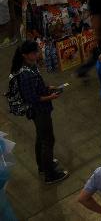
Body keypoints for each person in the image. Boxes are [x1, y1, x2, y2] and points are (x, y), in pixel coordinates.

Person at [10, 40, 67, 183]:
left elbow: (36, 88)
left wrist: (48, 87)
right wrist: (50, 97)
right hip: (39, 111)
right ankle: (50, 174)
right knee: (48, 140)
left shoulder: (30, 67)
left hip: (40, 109)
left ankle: (43, 165)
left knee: (41, 137)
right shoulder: (26, 73)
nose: (38, 54)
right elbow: (31, 98)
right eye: (35, 52)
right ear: (25, 55)